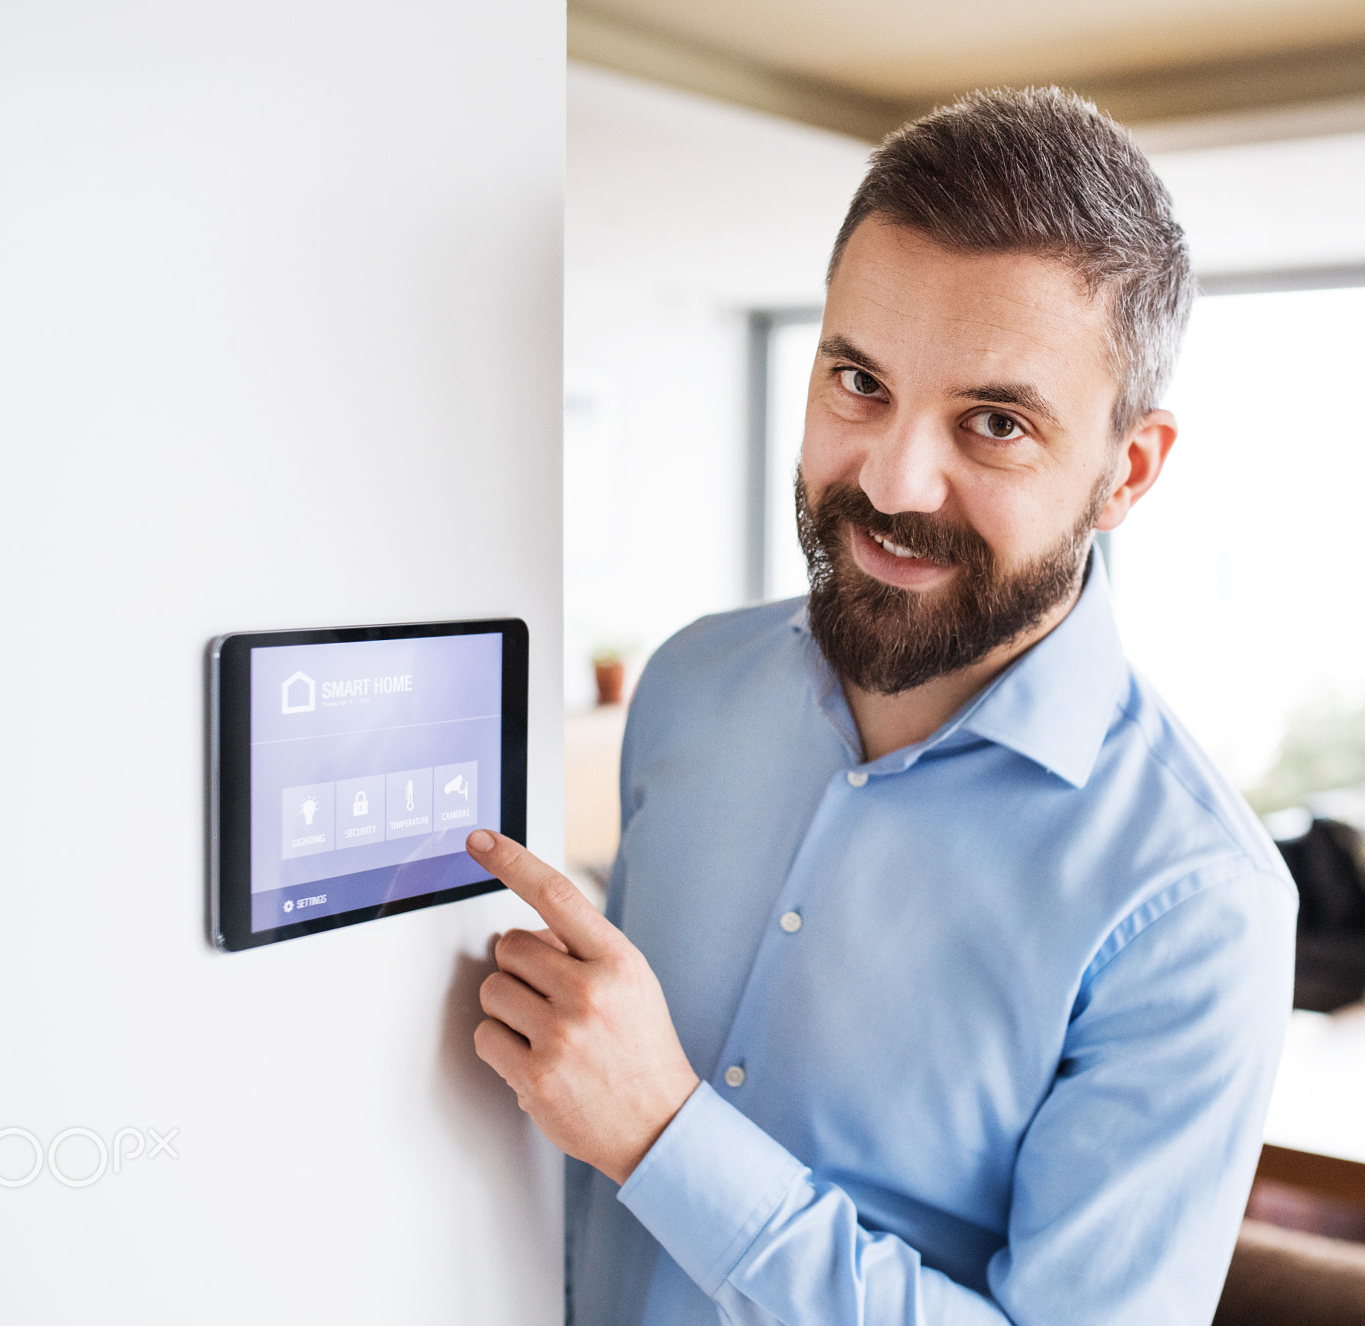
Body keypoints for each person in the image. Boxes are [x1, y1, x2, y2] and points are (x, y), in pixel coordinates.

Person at [465, 86, 1297, 1325]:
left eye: (995, 422)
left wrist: (662, 1137)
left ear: (1125, 471)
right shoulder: (687, 684)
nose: (894, 481)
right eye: (858, 382)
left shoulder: (1194, 905)